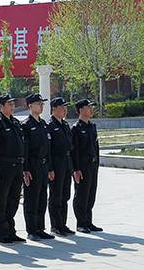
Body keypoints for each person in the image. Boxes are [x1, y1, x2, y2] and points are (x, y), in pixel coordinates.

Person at [0, 94, 25, 245]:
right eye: (9, 104)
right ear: (1, 107)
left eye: (13, 104)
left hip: (17, 166)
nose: (12, 107)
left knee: (13, 200)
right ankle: (1, 233)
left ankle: (10, 231)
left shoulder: (15, 122)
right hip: (3, 168)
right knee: (0, 201)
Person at [21, 93, 54, 241]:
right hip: (32, 166)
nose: (41, 106)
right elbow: (25, 150)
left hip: (43, 165)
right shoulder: (26, 125)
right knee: (31, 199)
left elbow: (48, 148)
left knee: (42, 198)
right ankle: (32, 230)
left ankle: (40, 228)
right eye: (38, 104)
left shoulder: (43, 124)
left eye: (42, 104)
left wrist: (50, 168)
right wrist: (25, 169)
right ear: (30, 106)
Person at [72, 98, 102, 233]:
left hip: (93, 165)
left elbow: (96, 147)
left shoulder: (92, 126)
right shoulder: (76, 128)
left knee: (91, 194)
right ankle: (81, 223)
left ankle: (88, 221)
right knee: (82, 194)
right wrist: (76, 169)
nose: (91, 109)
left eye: (91, 107)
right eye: (88, 107)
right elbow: (74, 151)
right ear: (81, 110)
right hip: (82, 166)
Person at [47, 97, 75, 236]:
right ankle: (55, 225)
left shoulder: (65, 125)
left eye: (65, 107)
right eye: (62, 107)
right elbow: (48, 150)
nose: (65, 109)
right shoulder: (50, 126)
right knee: (56, 196)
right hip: (56, 163)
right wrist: (50, 168)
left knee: (65, 195)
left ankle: (62, 224)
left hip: (66, 163)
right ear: (54, 109)